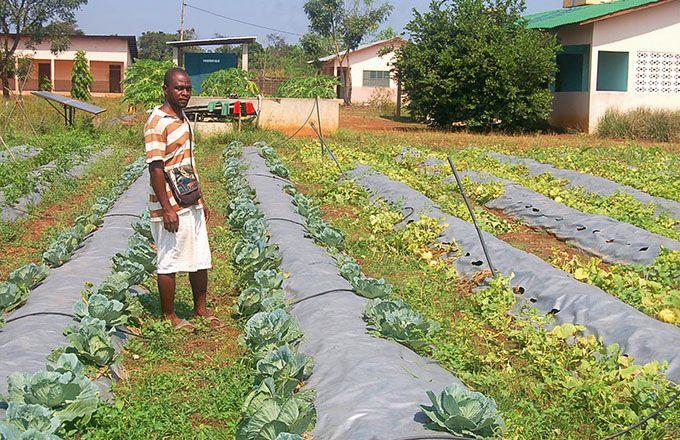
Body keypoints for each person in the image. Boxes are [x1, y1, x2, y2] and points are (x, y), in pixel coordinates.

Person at [143, 67, 220, 330]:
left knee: (199, 256)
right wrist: (166, 208)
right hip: (171, 204)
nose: (185, 92)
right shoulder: (157, 122)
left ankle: (200, 310)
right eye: (179, 88)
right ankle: (169, 317)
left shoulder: (183, 118)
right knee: (170, 258)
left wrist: (200, 199)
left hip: (190, 199)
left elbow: (187, 162)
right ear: (166, 89)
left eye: (188, 88)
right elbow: (156, 167)